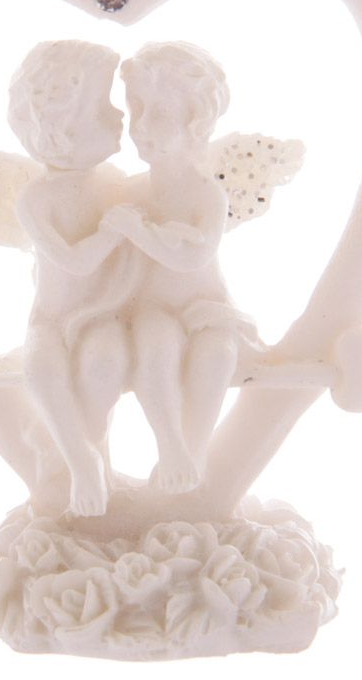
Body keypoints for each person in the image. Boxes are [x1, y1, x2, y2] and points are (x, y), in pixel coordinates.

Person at [102, 42, 261, 486]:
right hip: (152, 308)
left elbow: (193, 256)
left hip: (206, 307)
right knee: (154, 346)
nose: (141, 127)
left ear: (197, 121)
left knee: (217, 356)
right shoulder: (131, 191)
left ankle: (193, 451)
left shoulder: (206, 193)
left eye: (159, 113)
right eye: (136, 110)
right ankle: (170, 445)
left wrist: (139, 231)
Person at [11, 40, 133, 517]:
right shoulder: (36, 199)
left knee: (105, 364)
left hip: (103, 314)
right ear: (60, 128)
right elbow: (72, 262)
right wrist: (112, 231)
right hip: (52, 320)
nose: (120, 115)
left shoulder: (115, 185)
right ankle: (82, 460)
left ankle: (75, 443)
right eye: (104, 106)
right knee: (40, 369)